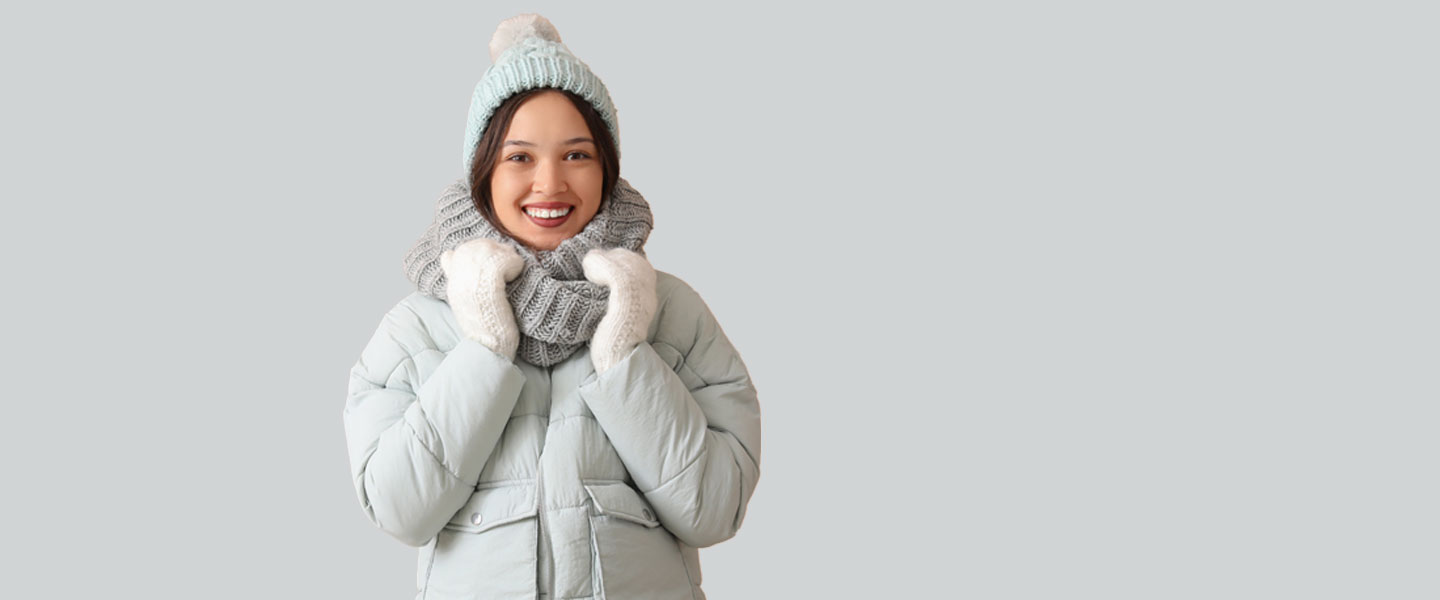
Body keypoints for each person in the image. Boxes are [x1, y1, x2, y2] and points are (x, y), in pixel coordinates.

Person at [342, 14, 761, 600]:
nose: (550, 183)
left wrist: (625, 356)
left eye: (577, 155)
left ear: (606, 167)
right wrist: (485, 348)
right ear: (483, 170)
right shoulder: (415, 328)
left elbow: (715, 510)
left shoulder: (671, 311)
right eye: (519, 157)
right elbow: (399, 510)